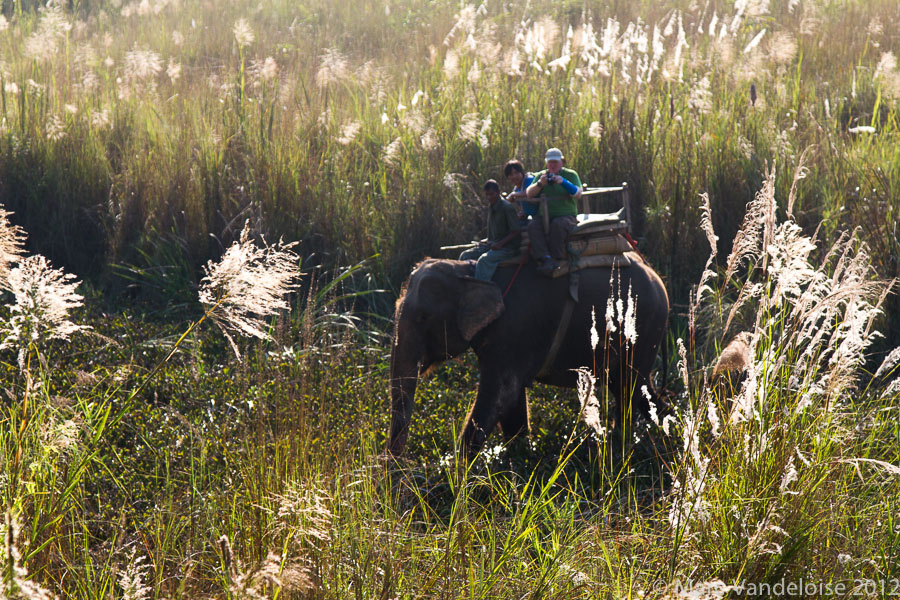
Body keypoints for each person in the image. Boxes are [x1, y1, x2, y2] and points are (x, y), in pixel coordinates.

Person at [525, 147, 582, 276]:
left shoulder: (571, 175)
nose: (553, 165)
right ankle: (545, 258)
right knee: (533, 226)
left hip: (566, 216)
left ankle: (557, 257)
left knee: (557, 225)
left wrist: (563, 182)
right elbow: (529, 194)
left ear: (561, 162)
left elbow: (578, 194)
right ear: (546, 163)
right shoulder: (541, 176)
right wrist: (540, 184)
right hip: (543, 216)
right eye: (550, 162)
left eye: (555, 162)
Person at [459, 179, 522, 281]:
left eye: (492, 194)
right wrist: (487, 240)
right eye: (487, 195)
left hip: (508, 249)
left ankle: (480, 288)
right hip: (493, 245)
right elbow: (497, 231)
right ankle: (464, 284)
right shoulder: (491, 206)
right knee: (465, 255)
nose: (489, 197)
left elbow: (516, 231)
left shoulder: (507, 208)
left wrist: (500, 244)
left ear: (499, 192)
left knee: (484, 260)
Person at [503, 159, 536, 226]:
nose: (514, 176)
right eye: (511, 174)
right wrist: (521, 214)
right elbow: (522, 209)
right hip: (528, 218)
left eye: (516, 173)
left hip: (538, 216)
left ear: (521, 172)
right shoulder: (516, 189)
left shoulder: (529, 179)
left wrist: (513, 194)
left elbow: (528, 192)